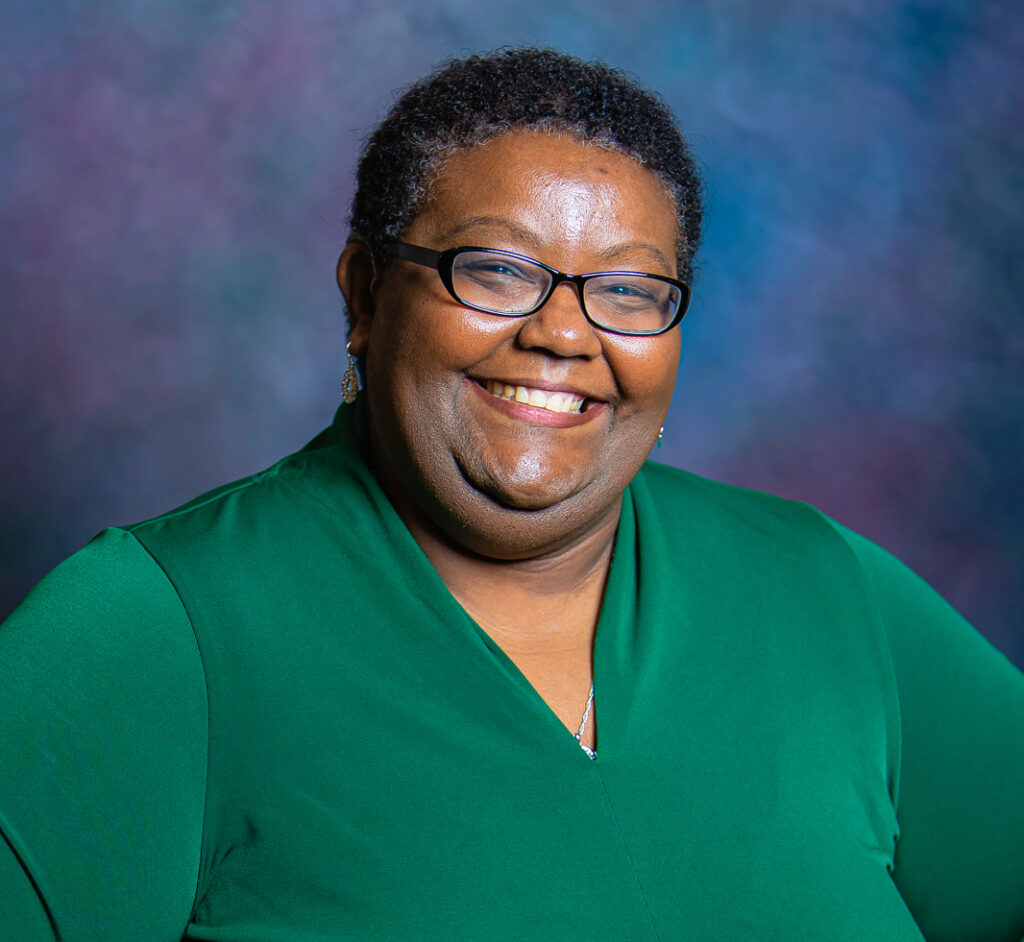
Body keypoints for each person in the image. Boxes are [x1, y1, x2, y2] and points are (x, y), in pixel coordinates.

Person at [2, 47, 1022, 942]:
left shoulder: (820, 589)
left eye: (628, 291)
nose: (564, 335)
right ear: (363, 293)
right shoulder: (154, 629)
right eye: (494, 271)